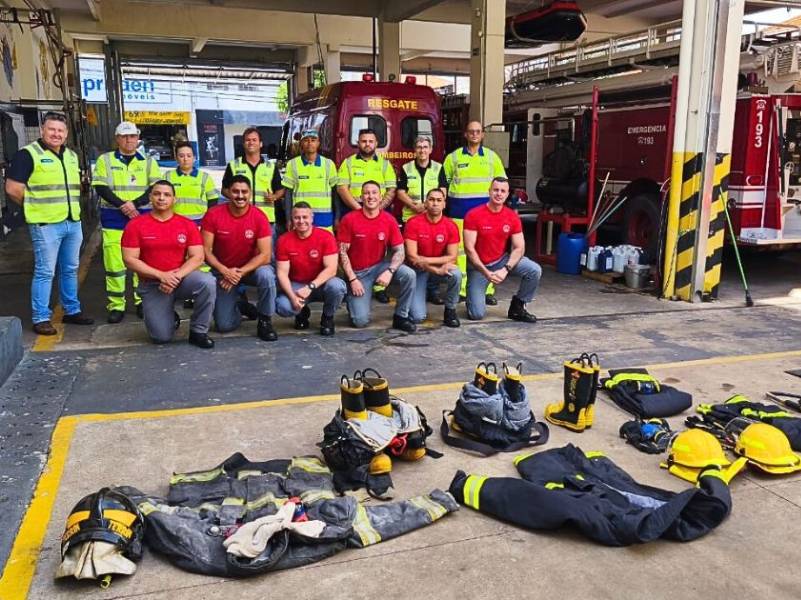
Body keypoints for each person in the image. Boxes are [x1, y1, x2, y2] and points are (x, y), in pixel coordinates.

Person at [4, 112, 94, 334]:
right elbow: (13, 189)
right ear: (43, 130)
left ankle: (71, 311)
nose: (56, 134)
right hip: (45, 224)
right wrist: (35, 206)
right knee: (45, 271)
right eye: (52, 129)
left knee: (70, 269)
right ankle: (41, 317)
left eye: (60, 130)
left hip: (71, 221)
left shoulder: (71, 156)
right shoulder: (27, 155)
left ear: (66, 134)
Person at [121, 180, 216, 348]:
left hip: (181, 279)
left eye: (167, 195)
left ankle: (198, 331)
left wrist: (175, 276)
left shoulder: (187, 224)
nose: (161, 198)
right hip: (152, 284)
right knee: (161, 337)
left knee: (207, 282)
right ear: (150, 198)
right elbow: (130, 260)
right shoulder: (135, 225)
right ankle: (170, 317)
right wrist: (161, 276)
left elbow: (198, 257)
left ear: (174, 199)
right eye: (157, 194)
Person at [92, 121, 162, 323]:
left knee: (142, 262)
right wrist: (123, 205)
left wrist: (135, 204)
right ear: (117, 139)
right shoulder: (105, 160)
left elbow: (155, 188)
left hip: (141, 218)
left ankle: (142, 302)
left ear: (137, 138)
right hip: (114, 218)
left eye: (132, 136)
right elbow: (100, 186)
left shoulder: (148, 161)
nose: (129, 140)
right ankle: (116, 305)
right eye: (124, 136)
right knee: (115, 265)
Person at [201, 175, 277, 342]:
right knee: (224, 326)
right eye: (235, 191)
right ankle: (240, 306)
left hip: (251, 269)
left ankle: (265, 320)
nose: (240, 196)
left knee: (267, 275)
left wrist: (238, 273)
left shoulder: (259, 216)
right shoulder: (213, 215)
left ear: (250, 193)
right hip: (223, 271)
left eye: (244, 192)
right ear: (228, 192)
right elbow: (205, 251)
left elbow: (265, 255)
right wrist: (225, 271)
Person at [337, 181, 416, 332]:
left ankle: (401, 316)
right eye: (366, 193)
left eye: (374, 193)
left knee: (409, 274)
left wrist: (390, 271)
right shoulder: (349, 219)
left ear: (381, 197)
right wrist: (352, 279)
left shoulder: (389, 220)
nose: (370, 196)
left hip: (380, 267)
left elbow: (400, 251)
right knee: (360, 321)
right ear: (361, 197)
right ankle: (353, 300)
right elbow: (342, 253)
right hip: (358, 273)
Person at [443, 121, 507, 303]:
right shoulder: (453, 158)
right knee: (460, 254)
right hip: (459, 215)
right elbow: (443, 185)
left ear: (482, 135)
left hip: (486, 216)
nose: (474, 134)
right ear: (465, 134)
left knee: (487, 252)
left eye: (478, 131)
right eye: (471, 131)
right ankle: (462, 290)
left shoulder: (492, 158)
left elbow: (502, 184)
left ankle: (487, 290)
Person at [463, 177, 541, 323]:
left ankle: (518, 306)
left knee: (534, 270)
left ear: (507, 194)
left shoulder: (511, 216)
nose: (499, 194)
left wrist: (505, 269)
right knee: (476, 315)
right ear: (489, 192)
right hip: (479, 267)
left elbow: (519, 247)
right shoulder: (473, 215)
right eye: (496, 190)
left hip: (501, 261)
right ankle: (472, 298)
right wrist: (487, 273)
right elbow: (469, 249)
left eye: (502, 191)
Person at [337, 128, 397, 304]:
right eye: (364, 141)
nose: (367, 144)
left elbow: (392, 188)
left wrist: (379, 207)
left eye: (371, 141)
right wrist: (359, 209)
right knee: (353, 250)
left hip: (380, 213)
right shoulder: (348, 163)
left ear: (376, 144)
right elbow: (342, 188)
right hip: (353, 211)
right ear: (358, 143)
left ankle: (380, 287)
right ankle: (353, 281)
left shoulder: (385, 164)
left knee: (382, 248)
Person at [275, 202, 347, 336]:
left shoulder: (326, 236)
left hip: (320, 284)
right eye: (297, 218)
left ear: (312, 218)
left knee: (337, 286)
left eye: (305, 217)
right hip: (297, 285)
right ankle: (302, 312)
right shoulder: (284, 240)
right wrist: (292, 297)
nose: (301, 221)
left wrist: (310, 287)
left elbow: (331, 269)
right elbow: (282, 273)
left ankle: (327, 318)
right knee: (282, 307)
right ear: (292, 219)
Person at [404, 189, 461, 328]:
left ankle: (450, 310)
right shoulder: (413, 223)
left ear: (444, 204)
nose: (435, 203)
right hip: (418, 270)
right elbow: (412, 256)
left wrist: (427, 261)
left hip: (437, 267)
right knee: (417, 317)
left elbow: (452, 256)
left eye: (439, 200)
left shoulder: (451, 225)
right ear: (425, 203)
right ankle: (422, 291)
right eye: (431, 199)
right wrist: (435, 270)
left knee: (456, 274)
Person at [222, 127, 283, 227]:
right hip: (240, 217)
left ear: (261, 144)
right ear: (243, 144)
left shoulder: (270, 167)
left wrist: (274, 196)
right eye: (248, 140)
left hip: (265, 219)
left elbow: (280, 190)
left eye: (254, 140)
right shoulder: (233, 165)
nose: (251, 143)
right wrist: (236, 197)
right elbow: (224, 190)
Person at [281, 129, 338, 231]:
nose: (310, 143)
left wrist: (337, 216)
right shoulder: (292, 164)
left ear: (318, 143)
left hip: (324, 217)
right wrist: (288, 218)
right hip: (300, 217)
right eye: (306, 140)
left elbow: (335, 193)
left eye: (313, 140)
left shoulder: (329, 164)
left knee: (324, 245)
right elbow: (288, 194)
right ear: (301, 143)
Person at [397, 136, 447, 223]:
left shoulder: (438, 168)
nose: (422, 150)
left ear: (430, 149)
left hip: (432, 216)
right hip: (410, 217)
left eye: (425, 147)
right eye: (419, 147)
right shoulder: (406, 168)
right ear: (415, 150)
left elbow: (443, 191)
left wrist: (426, 206)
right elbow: (400, 193)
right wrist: (414, 206)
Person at [167, 141, 219, 224]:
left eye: (189, 156)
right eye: (181, 156)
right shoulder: (168, 176)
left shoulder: (204, 177)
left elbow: (213, 200)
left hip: (199, 222)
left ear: (194, 158)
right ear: (176, 158)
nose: (185, 159)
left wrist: (208, 220)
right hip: (174, 222)